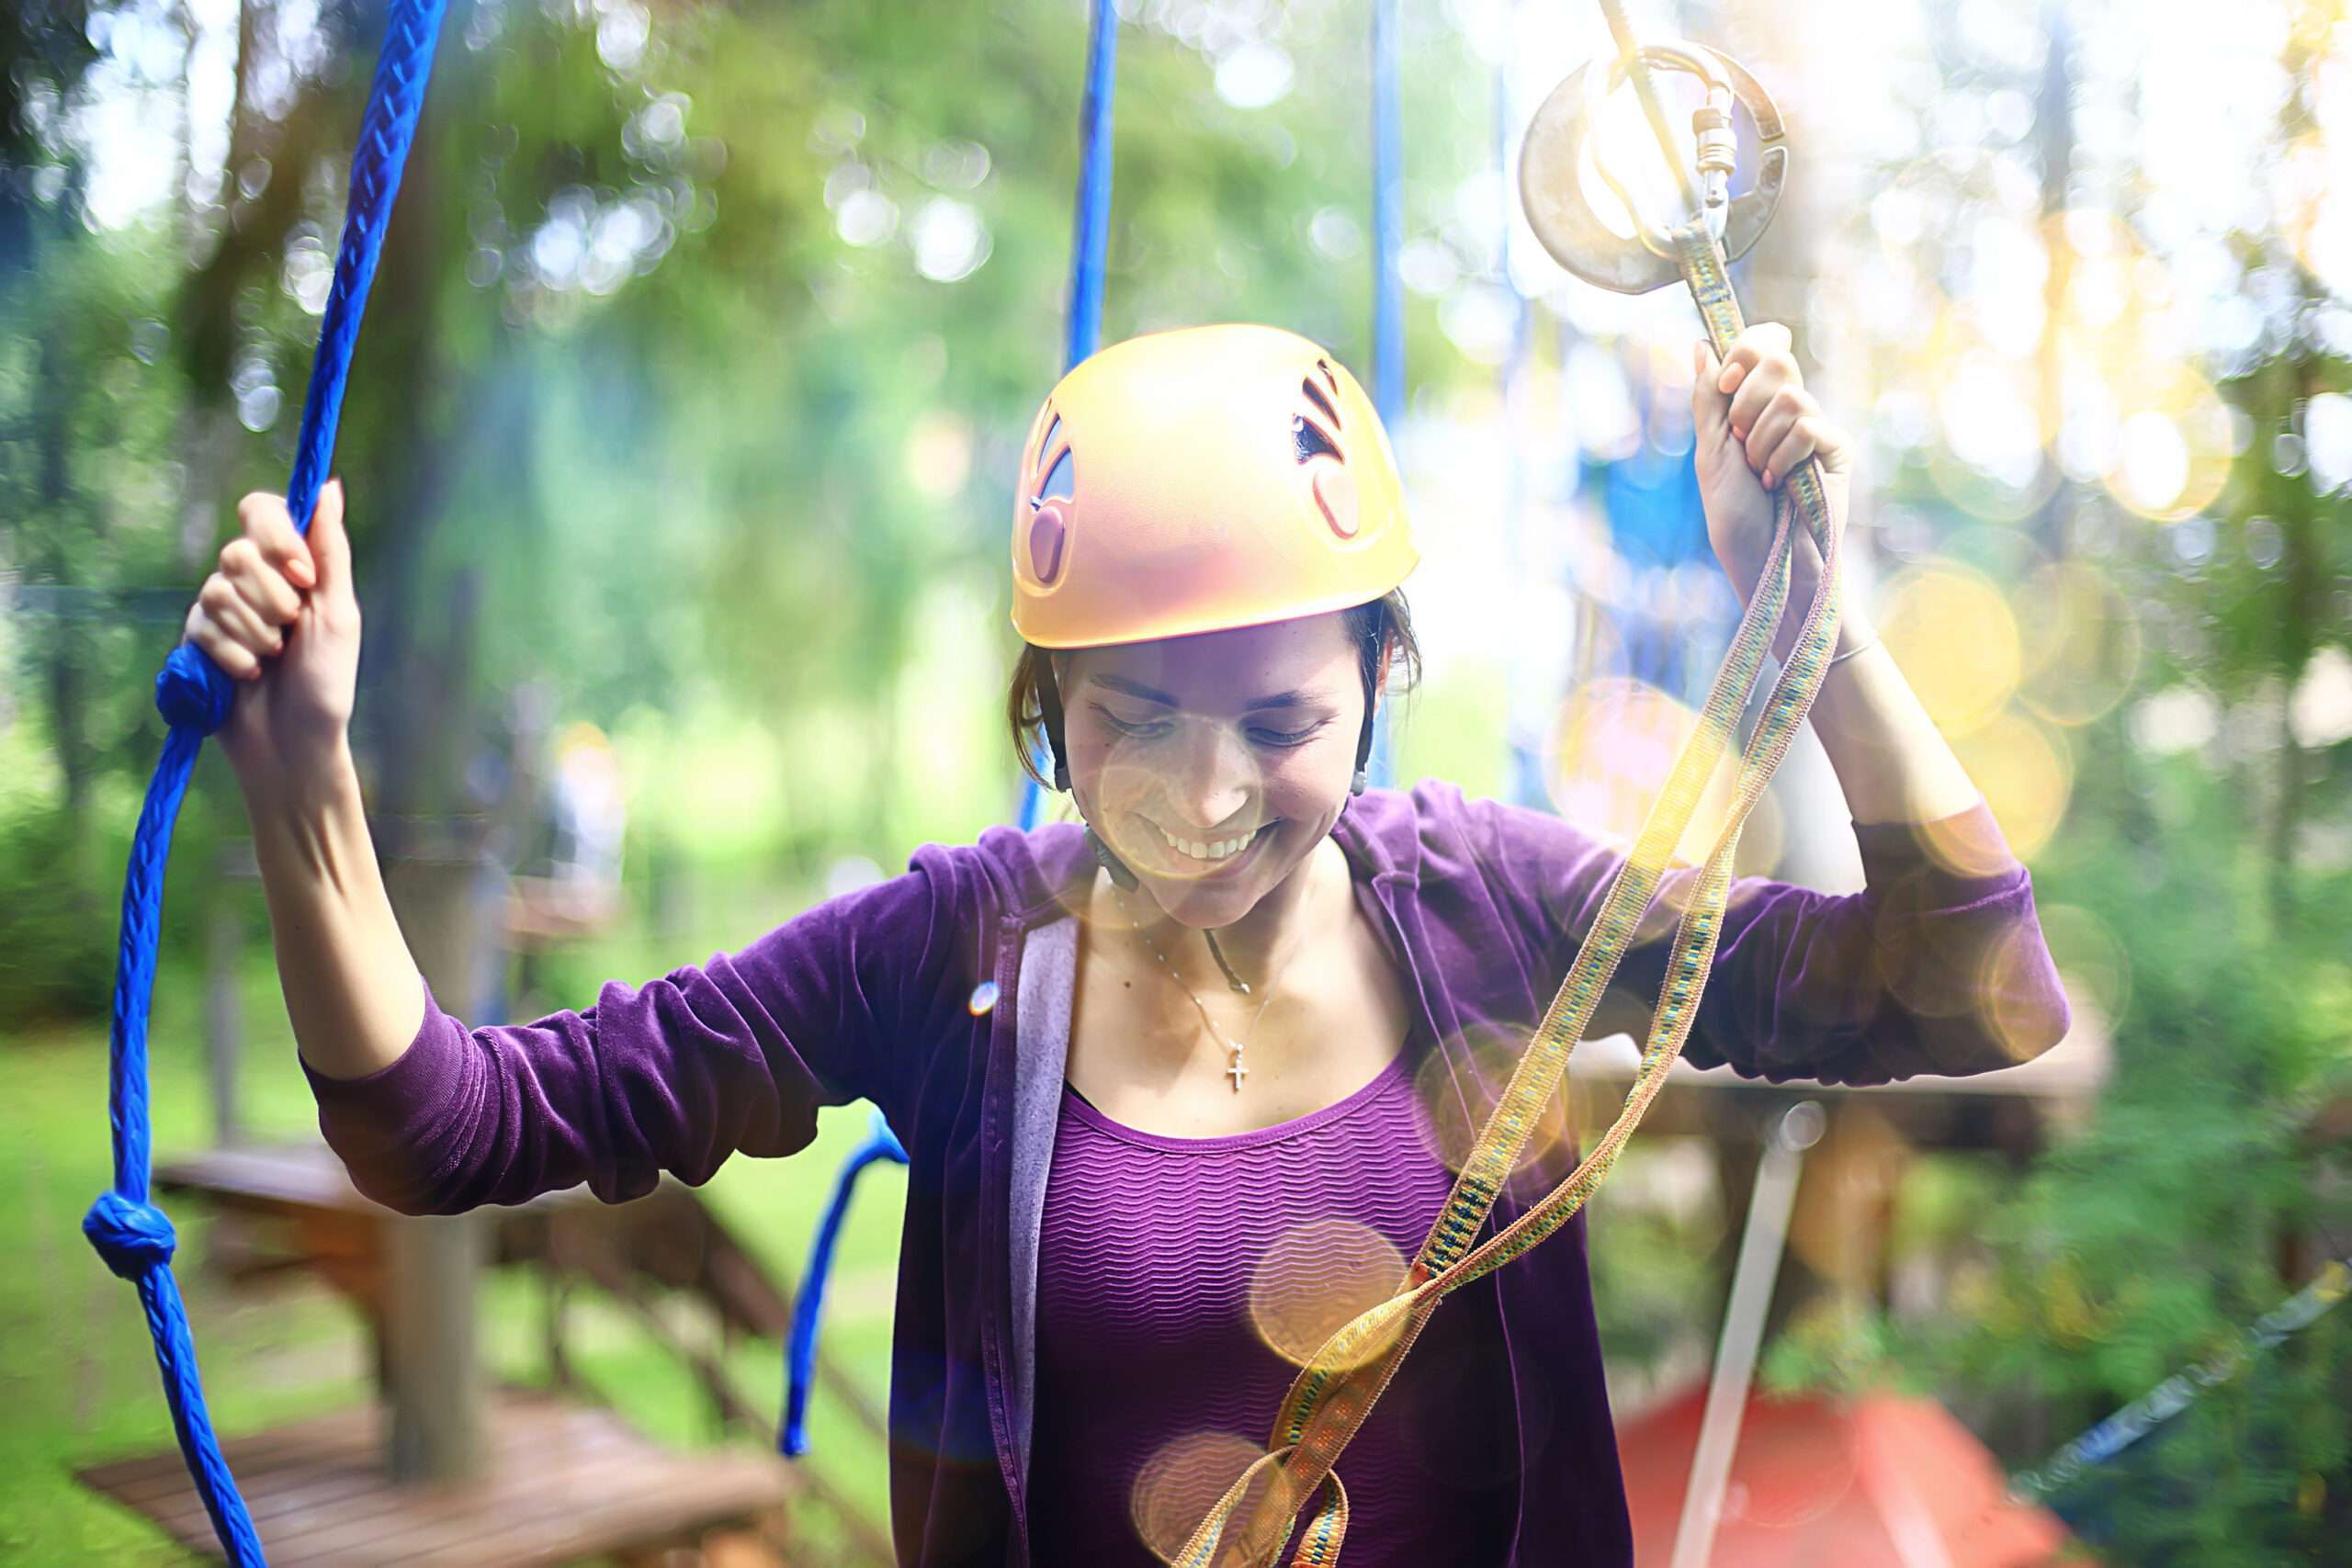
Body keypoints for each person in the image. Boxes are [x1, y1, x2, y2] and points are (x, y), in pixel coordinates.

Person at [185, 321, 2069, 1566]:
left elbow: (1963, 981)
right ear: (1044, 697)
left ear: (1379, 670)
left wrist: (1807, 615)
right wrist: (305, 784)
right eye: (1126, 718)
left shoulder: (1496, 913)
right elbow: (449, 1126)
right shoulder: (952, 964)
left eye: (1275, 721)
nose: (1196, 799)